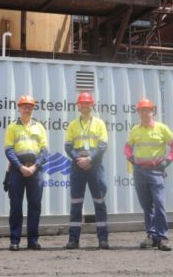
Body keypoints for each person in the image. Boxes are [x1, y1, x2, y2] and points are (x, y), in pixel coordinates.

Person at [124, 97, 173, 251]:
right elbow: (128, 147)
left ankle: (163, 238)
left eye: (147, 110)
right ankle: (151, 236)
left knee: (159, 204)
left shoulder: (161, 128)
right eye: (141, 110)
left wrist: (167, 161)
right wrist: (130, 158)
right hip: (139, 172)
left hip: (156, 172)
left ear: (152, 111)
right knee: (146, 207)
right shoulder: (135, 130)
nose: (144, 113)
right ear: (139, 112)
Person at [64, 91, 110, 250]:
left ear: (92, 105)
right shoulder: (72, 125)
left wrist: (89, 159)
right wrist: (79, 159)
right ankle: (73, 239)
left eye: (87, 103)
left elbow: (103, 145)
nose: (85, 106)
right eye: (82, 103)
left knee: (99, 202)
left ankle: (103, 239)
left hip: (95, 166)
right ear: (78, 106)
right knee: (76, 203)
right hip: (78, 166)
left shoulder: (99, 123)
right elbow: (68, 146)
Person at [4, 94, 48, 251]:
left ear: (33, 108)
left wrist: (34, 167)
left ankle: (33, 241)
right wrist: (21, 167)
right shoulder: (12, 127)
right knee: (16, 206)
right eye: (24, 106)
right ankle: (14, 240)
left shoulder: (39, 127)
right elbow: (9, 150)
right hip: (17, 171)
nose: (27, 109)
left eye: (29, 106)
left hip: (35, 170)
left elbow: (44, 151)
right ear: (19, 108)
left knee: (35, 206)